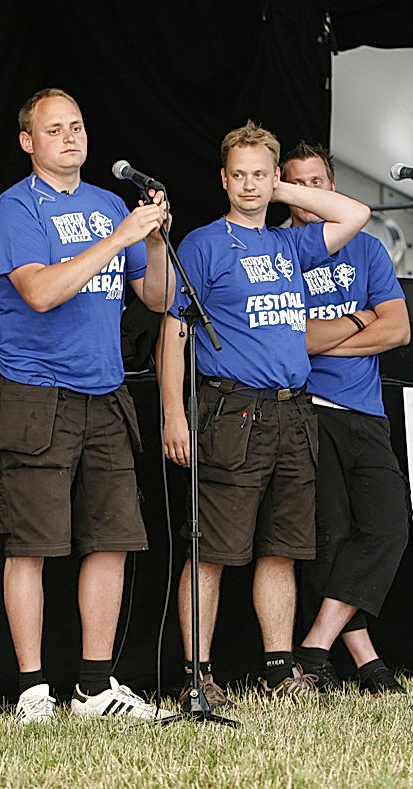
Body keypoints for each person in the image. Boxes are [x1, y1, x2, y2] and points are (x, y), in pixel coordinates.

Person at [158, 122, 370, 704]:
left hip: (293, 413)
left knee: (283, 546)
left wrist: (284, 191)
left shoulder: (287, 243)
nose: (249, 185)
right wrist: (174, 414)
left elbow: (354, 215)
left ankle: (278, 671)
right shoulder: (203, 244)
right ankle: (197, 676)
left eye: (260, 174)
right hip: (232, 411)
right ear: (222, 179)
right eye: (239, 175)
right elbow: (173, 331)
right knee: (215, 547)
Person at [0, 88, 171, 724]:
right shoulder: (15, 208)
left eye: (78, 126)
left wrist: (149, 240)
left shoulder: (108, 202)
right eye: (55, 129)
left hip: (106, 391)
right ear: (27, 142)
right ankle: (34, 690)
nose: (71, 137)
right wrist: (119, 237)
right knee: (30, 544)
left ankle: (95, 687)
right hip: (37, 393)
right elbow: (40, 291)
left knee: (112, 539)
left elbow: (158, 297)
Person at [280, 142, 413, 695]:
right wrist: (359, 321)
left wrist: (322, 339)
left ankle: (314, 647)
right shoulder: (279, 249)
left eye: (319, 182)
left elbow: (399, 330)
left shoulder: (368, 249)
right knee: (328, 539)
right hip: (306, 411)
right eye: (299, 184)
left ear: (334, 188)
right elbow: (287, 341)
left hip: (366, 414)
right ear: (284, 192)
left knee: (386, 527)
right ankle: (364, 659)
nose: (312, 194)